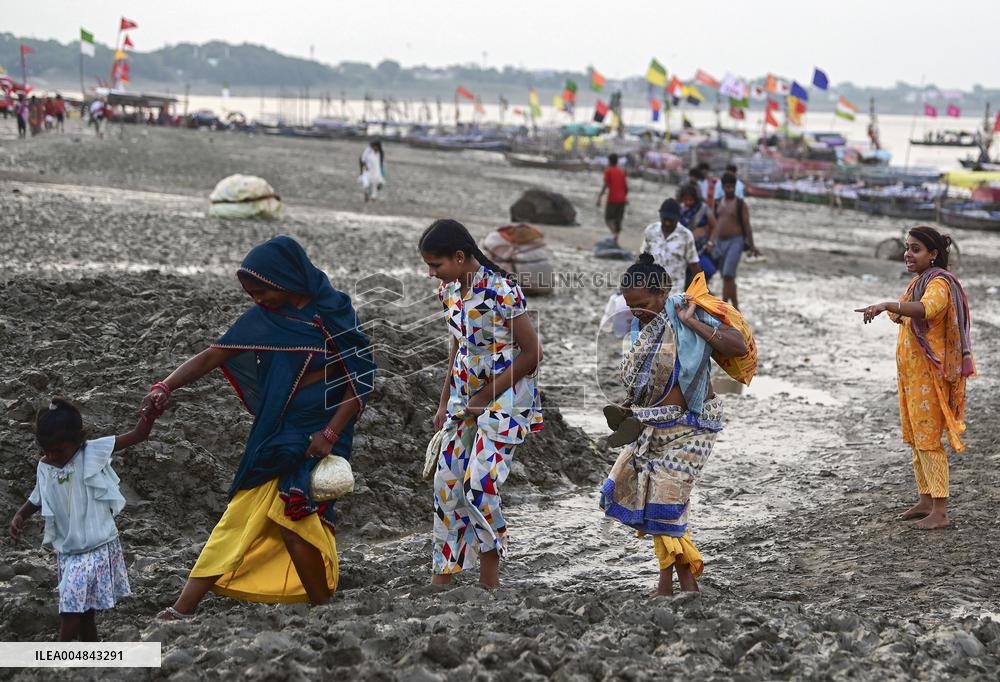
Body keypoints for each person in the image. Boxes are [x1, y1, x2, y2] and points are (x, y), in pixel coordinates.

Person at [143, 236, 376, 619]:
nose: (258, 300)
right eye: (252, 294)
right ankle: (184, 608)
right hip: (277, 434)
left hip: (321, 436)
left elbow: (360, 381)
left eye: (262, 291)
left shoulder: (336, 312)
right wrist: (165, 386)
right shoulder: (265, 319)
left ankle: (322, 607)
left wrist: (330, 434)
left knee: (293, 517)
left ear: (286, 279)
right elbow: (211, 356)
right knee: (242, 515)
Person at [600, 256, 747, 595]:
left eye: (642, 304)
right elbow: (649, 379)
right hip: (655, 422)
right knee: (658, 504)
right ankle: (677, 584)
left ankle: (677, 585)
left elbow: (737, 345)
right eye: (631, 306)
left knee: (666, 502)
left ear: (663, 292)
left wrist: (690, 322)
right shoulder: (644, 324)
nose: (636, 312)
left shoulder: (691, 310)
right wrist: (629, 405)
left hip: (693, 425)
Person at [419, 219, 543, 588]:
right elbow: (457, 346)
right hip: (464, 397)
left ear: (460, 257)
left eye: (436, 265)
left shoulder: (501, 290)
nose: (431, 273)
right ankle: (443, 575)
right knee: (446, 483)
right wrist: (445, 401)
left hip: (507, 399)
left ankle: (490, 579)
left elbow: (533, 353)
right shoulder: (449, 291)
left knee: (479, 485)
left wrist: (485, 397)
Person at [855, 226, 975, 530]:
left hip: (930, 376)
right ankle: (925, 498)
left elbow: (925, 309)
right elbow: (901, 314)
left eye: (916, 249)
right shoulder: (918, 282)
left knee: (928, 439)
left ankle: (940, 509)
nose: (908, 254)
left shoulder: (939, 284)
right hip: (911, 376)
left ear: (933, 254)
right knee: (915, 437)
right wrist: (889, 307)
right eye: (907, 247)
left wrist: (887, 305)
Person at [8, 398, 156, 641]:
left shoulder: (91, 453)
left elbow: (137, 435)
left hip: (96, 548)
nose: (52, 455)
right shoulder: (45, 466)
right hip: (69, 552)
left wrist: (148, 417)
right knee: (85, 613)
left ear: (78, 440)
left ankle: (60, 658)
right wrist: (20, 515)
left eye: (59, 450)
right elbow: (38, 496)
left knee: (70, 611)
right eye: (47, 451)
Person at [712, 172, 759, 310]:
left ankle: (724, 307)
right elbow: (714, 224)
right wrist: (711, 241)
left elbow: (747, 225)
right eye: (728, 187)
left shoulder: (740, 204)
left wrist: (752, 245)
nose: (730, 189)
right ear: (723, 187)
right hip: (720, 242)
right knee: (727, 277)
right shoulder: (717, 203)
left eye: (732, 187)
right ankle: (735, 307)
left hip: (736, 241)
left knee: (728, 274)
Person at [641, 198, 702, 297]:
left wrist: (704, 290)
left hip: (674, 292)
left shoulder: (686, 235)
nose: (667, 223)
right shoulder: (651, 231)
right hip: (651, 289)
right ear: (660, 216)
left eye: (671, 220)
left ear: (678, 218)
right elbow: (642, 260)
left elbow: (693, 265)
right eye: (665, 219)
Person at [678, 183, 718, 286]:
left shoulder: (703, 209)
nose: (688, 202)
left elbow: (715, 226)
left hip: (701, 249)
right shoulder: (679, 210)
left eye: (690, 200)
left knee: (705, 274)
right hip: (684, 251)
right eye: (685, 199)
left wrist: (710, 242)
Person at [597, 153, 629, 244]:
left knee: (608, 219)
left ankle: (614, 234)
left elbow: (605, 185)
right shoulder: (622, 172)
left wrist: (600, 197)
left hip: (613, 199)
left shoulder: (608, 171)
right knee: (618, 221)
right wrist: (625, 197)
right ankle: (616, 239)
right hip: (622, 200)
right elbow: (626, 188)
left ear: (609, 161)